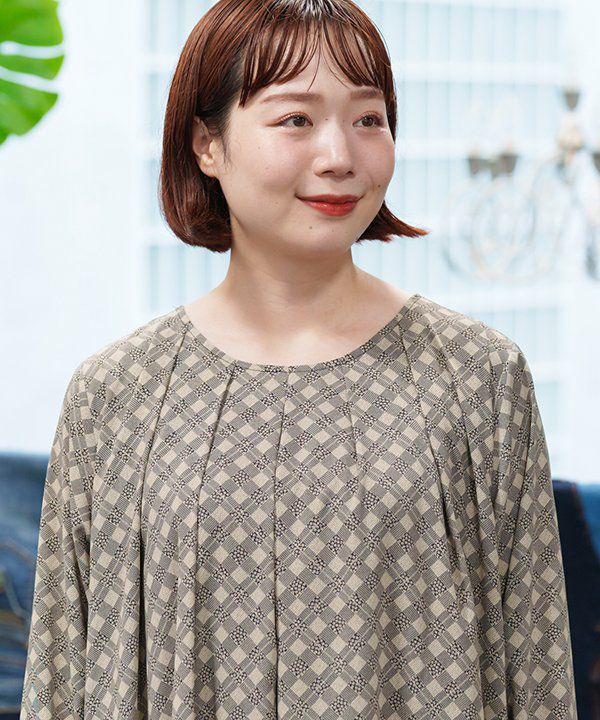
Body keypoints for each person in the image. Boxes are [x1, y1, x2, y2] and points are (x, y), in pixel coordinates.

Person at [20, 0, 578, 718]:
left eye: (368, 118)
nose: (339, 156)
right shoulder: (115, 395)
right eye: (295, 119)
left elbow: (537, 671)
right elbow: (61, 677)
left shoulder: (480, 377)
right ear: (207, 145)